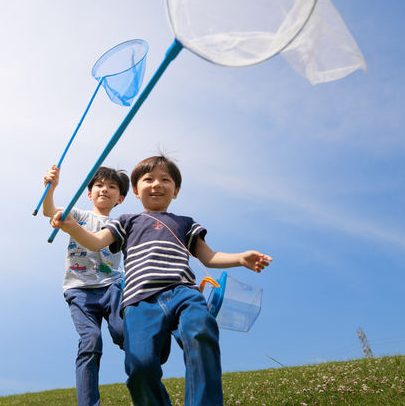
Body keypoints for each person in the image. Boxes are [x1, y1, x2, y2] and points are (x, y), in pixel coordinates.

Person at [51, 156, 272, 405]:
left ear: (175, 191)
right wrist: (72, 228)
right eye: (148, 179)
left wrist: (240, 258)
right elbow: (95, 241)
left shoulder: (185, 223)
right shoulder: (125, 222)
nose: (156, 184)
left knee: (201, 332)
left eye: (165, 180)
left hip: (183, 293)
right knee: (140, 369)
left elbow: (209, 257)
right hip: (139, 303)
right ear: (135, 191)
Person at [42, 164, 129, 406]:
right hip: (79, 289)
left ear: (120, 198)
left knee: (125, 333)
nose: (105, 189)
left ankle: (143, 381)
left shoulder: (121, 224)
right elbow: (50, 211)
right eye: (99, 185)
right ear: (89, 193)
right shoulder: (79, 215)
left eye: (112, 187)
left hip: (112, 286)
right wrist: (51, 187)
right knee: (90, 340)